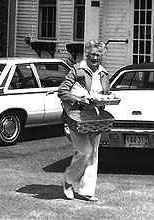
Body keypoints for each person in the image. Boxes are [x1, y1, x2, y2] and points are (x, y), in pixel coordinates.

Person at [58, 39, 111, 202]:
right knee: (85, 151)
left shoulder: (103, 73)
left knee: (93, 153)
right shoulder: (77, 70)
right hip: (77, 117)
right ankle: (69, 180)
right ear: (87, 54)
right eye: (93, 54)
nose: (95, 58)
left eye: (98, 55)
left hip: (95, 118)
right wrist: (80, 100)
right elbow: (62, 91)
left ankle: (87, 190)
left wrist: (106, 99)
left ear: (102, 56)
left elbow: (106, 93)